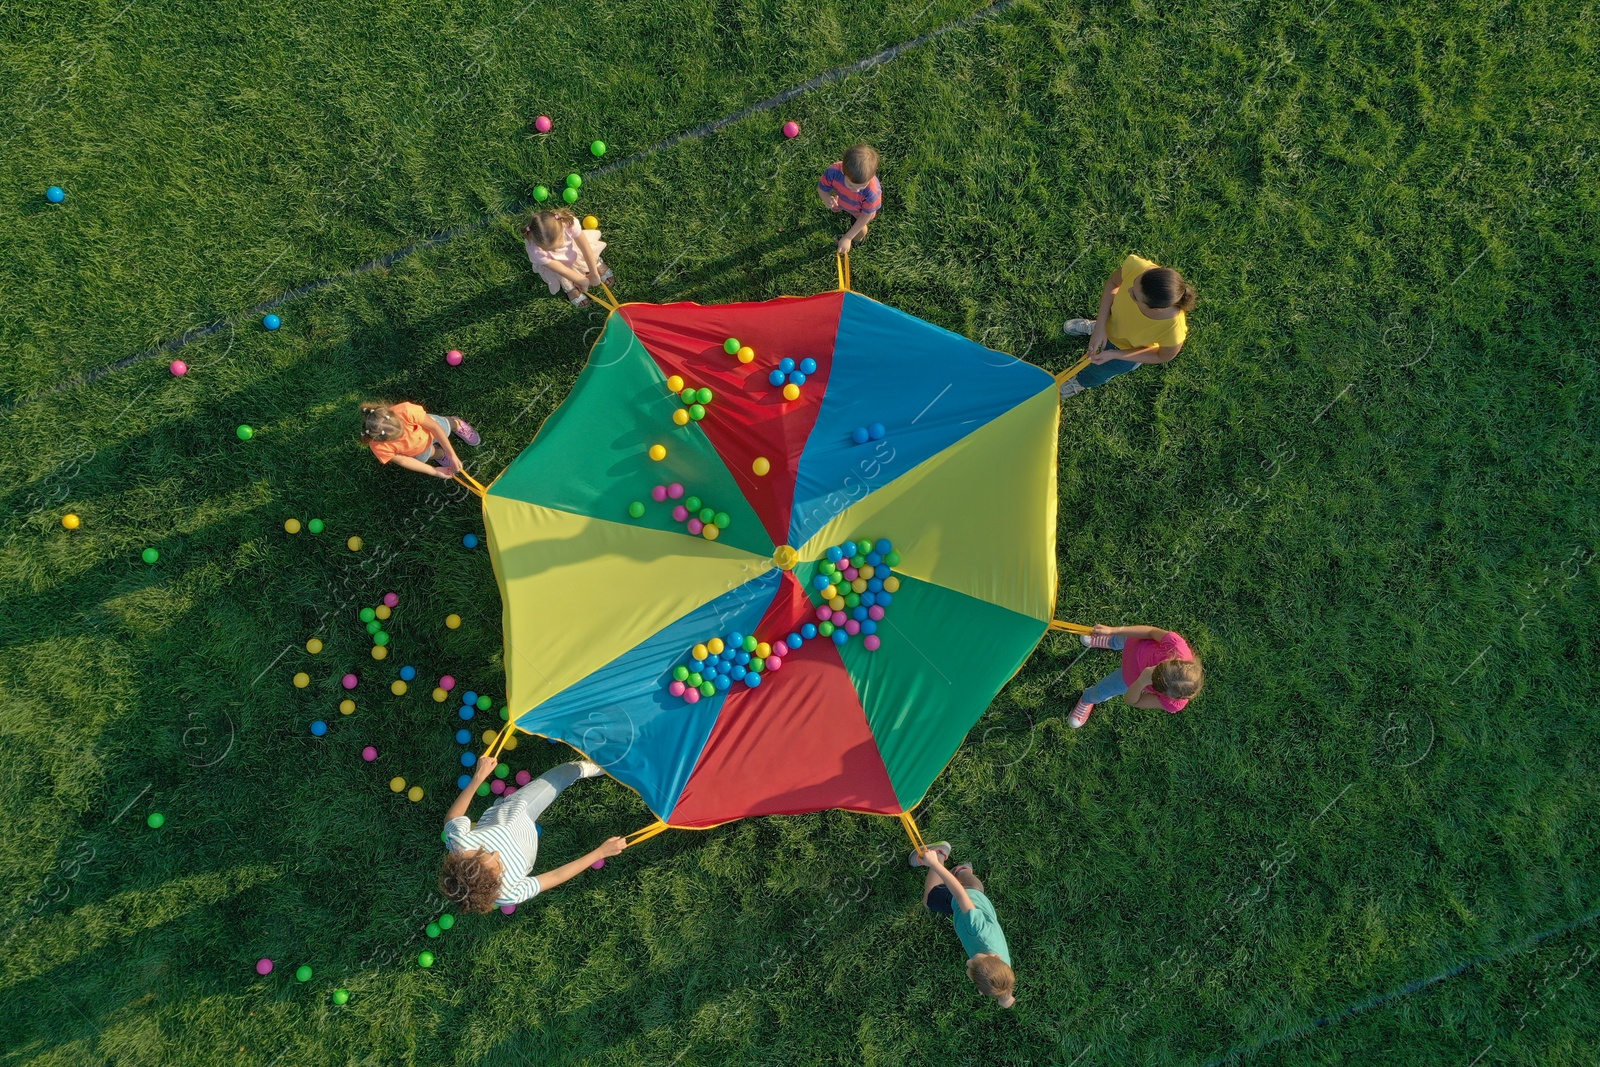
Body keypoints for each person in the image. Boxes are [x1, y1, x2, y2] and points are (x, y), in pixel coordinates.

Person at [439, 757, 627, 913]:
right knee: (526, 803)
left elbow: (453, 817)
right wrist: (599, 853)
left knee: (559, 775)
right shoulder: (508, 893)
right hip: (527, 839)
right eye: (499, 865)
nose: (497, 853)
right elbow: (555, 876)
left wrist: (477, 778)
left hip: (515, 809)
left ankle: (579, 769)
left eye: (484, 851)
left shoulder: (460, 844)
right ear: (494, 887)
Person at [1060, 255, 1195, 398]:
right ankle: (1095, 327)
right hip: (1109, 323)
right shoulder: (1138, 267)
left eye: (1135, 296)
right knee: (1103, 331)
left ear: (1155, 309)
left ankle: (1080, 383)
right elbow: (1113, 283)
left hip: (1126, 352)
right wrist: (1100, 327)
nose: (1129, 290)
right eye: (1134, 283)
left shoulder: (1174, 330)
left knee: (1099, 371)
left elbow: (1162, 356)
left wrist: (1114, 354)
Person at [911, 841, 1015, 1007]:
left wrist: (1005, 999)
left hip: (979, 902)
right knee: (930, 899)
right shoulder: (976, 929)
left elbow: (1005, 988)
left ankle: (962, 871)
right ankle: (938, 854)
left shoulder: (1004, 972)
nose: (968, 962)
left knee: (977, 888)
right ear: (996, 957)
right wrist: (936, 866)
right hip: (962, 899)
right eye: (972, 962)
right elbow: (959, 895)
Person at [1070, 623, 1204, 728]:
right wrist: (1112, 630)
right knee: (1121, 638)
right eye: (1157, 667)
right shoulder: (1176, 646)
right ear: (1173, 659)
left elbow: (1132, 701)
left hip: (1127, 678)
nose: (1148, 669)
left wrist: (1141, 681)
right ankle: (1111, 641)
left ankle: (1088, 698)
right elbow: (1150, 632)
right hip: (1135, 643)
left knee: (1103, 691)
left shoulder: (1173, 703)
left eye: (1153, 680)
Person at [360, 400, 479, 479]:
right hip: (416, 450)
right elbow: (403, 461)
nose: (404, 436)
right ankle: (440, 454)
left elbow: (434, 427)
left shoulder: (406, 410)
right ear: (382, 439)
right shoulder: (378, 446)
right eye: (398, 437)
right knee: (429, 453)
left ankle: (456, 424)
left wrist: (451, 454)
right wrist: (434, 470)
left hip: (430, 431)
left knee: (446, 427)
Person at [523, 209, 612, 306]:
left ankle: (596, 262)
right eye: (550, 249)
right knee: (561, 276)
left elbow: (586, 249)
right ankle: (568, 286)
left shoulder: (570, 223)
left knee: (587, 252)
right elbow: (563, 270)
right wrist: (583, 281)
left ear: (562, 229)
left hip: (573, 249)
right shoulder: (535, 250)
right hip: (556, 264)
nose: (556, 249)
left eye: (557, 245)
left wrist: (594, 273)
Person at [817, 144, 882, 255]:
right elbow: (821, 188)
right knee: (835, 208)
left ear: (871, 177)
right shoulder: (833, 172)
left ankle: (857, 240)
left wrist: (848, 238)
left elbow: (865, 216)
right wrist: (826, 198)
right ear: (843, 172)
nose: (856, 190)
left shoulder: (872, 192)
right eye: (851, 185)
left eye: (862, 186)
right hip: (842, 200)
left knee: (860, 228)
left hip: (860, 212)